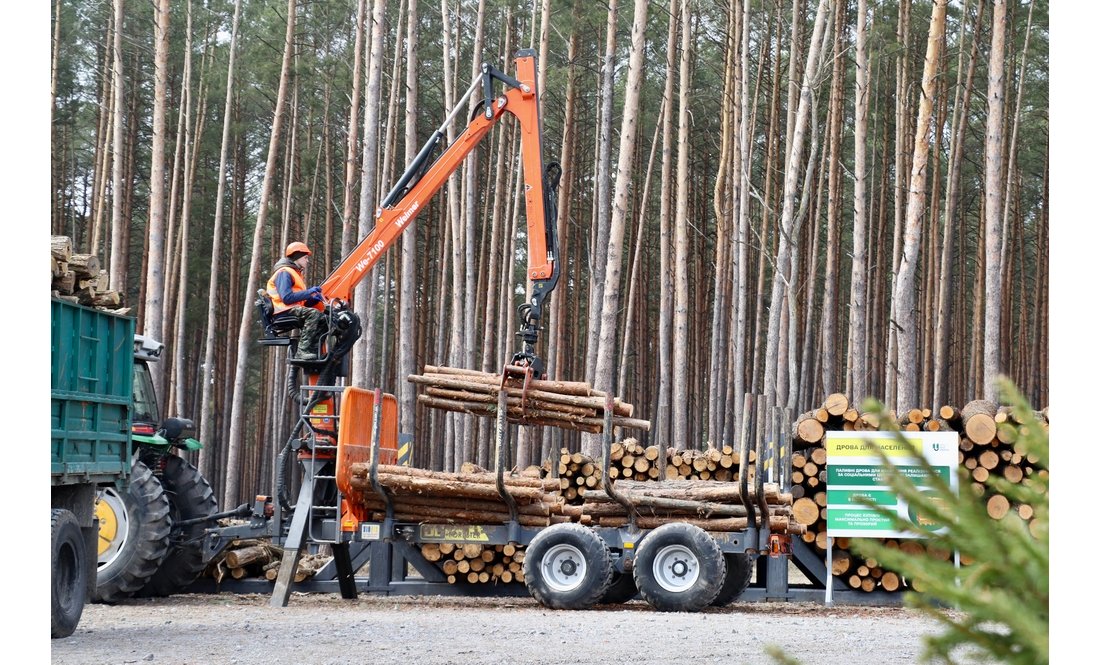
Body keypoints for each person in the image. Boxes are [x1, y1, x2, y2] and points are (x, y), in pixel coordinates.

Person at [266, 241, 327, 360]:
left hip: (292, 309)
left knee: (324, 319)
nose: (307, 261)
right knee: (314, 314)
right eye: (305, 258)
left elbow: (299, 301)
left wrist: (312, 300)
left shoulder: (295, 274)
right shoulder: (284, 273)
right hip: (282, 311)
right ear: (297, 257)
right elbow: (287, 298)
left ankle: (314, 350)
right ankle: (302, 351)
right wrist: (309, 292)